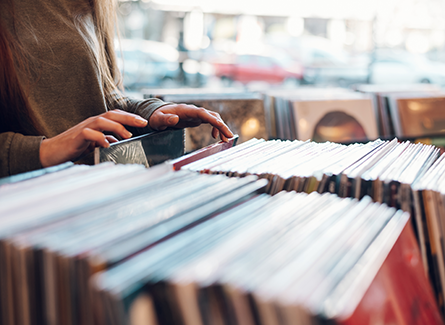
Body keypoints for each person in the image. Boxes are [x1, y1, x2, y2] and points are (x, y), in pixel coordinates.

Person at [0, 0, 233, 178]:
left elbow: (103, 98)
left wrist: (150, 113)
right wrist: (44, 150)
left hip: (95, 186)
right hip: (32, 199)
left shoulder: (92, 4)